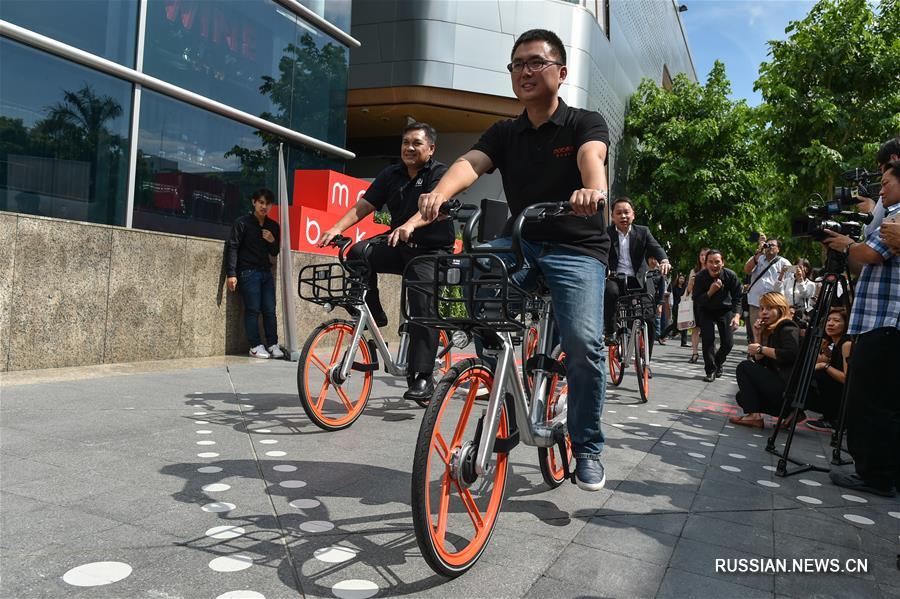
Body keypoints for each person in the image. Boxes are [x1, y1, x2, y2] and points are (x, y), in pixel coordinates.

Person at [418, 29, 611, 491]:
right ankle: (500, 377)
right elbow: (470, 164)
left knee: (584, 345)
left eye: (536, 63)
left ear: (560, 73)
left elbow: (592, 160)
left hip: (576, 246)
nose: (525, 71)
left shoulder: (584, 122)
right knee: (472, 286)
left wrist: (593, 191)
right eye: (517, 64)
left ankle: (587, 447)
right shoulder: (506, 131)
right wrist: (439, 193)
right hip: (522, 242)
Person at [318, 122, 451, 402]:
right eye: (405, 143)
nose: (409, 148)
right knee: (358, 252)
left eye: (416, 143)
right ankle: (374, 311)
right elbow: (364, 205)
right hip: (398, 245)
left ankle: (424, 376)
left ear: (431, 148)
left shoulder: (439, 174)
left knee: (421, 308)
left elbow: (434, 209)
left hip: (431, 251)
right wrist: (337, 228)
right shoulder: (391, 174)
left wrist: (411, 225)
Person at [822, 159, 900, 497]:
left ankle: (874, 475)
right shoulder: (888, 216)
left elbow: (870, 255)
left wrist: (847, 245)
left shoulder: (896, 217)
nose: (880, 189)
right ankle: (878, 471)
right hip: (877, 318)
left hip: (884, 320)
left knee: (871, 401)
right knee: (879, 400)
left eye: (885, 181)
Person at [603, 197, 670, 354]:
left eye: (626, 212)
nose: (623, 216)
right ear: (613, 216)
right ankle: (610, 331)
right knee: (610, 292)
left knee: (649, 318)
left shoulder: (643, 231)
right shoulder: (606, 234)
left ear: (633, 215)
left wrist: (664, 260)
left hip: (639, 280)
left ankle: (645, 360)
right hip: (615, 278)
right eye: (618, 213)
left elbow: (656, 247)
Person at [728, 292, 801, 428]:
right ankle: (791, 412)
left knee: (744, 367)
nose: (764, 313)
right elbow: (761, 363)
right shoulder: (774, 330)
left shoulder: (787, 327)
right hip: (782, 391)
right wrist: (758, 335)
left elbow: (791, 354)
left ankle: (754, 416)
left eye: (769, 308)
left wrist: (761, 349)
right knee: (742, 397)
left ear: (780, 309)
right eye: (762, 309)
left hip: (787, 388)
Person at [226, 188, 282, 359]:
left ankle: (272, 344)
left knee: (270, 310)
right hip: (247, 272)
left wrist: (272, 241)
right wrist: (231, 273)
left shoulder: (273, 226)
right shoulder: (242, 223)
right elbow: (232, 247)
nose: (264, 207)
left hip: (265, 273)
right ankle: (255, 346)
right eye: (261, 203)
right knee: (252, 310)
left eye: (268, 204)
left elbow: (274, 252)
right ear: (254, 202)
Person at [692, 249, 742, 382]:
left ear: (723, 263)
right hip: (706, 310)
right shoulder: (700, 277)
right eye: (711, 262)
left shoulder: (731, 276)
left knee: (728, 343)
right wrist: (710, 291)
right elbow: (697, 299)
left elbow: (738, 298)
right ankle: (710, 370)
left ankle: (718, 362)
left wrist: (736, 316)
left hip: (725, 310)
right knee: (708, 341)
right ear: (706, 263)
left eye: (717, 262)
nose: (714, 265)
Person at [804, 308, 852, 432]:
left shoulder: (847, 344)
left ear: (846, 324)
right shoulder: (836, 343)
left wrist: (825, 366)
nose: (830, 323)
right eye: (829, 320)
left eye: (836, 321)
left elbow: (847, 378)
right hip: (839, 392)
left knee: (819, 374)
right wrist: (825, 350)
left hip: (847, 395)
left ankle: (834, 420)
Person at [743, 236, 791, 343]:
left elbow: (789, 284)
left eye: (772, 245)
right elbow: (746, 270)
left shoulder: (784, 263)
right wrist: (757, 254)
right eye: (767, 245)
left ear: (778, 249)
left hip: (774, 305)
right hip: (756, 303)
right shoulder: (757, 258)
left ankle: (767, 353)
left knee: (771, 332)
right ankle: (755, 353)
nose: (769, 247)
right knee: (756, 330)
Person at [684, 247, 710, 363]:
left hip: (709, 304)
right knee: (695, 329)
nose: (703, 257)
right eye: (701, 255)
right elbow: (688, 291)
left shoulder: (713, 270)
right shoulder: (694, 271)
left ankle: (708, 353)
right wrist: (691, 282)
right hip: (695, 303)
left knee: (707, 330)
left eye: (705, 255)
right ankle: (695, 353)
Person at [662, 273, 689, 346]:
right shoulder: (674, 287)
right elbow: (675, 295)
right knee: (675, 324)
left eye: (683, 279)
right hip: (677, 307)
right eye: (680, 278)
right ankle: (661, 336)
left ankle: (684, 342)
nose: (681, 280)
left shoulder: (685, 287)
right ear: (678, 279)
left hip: (684, 306)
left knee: (685, 324)